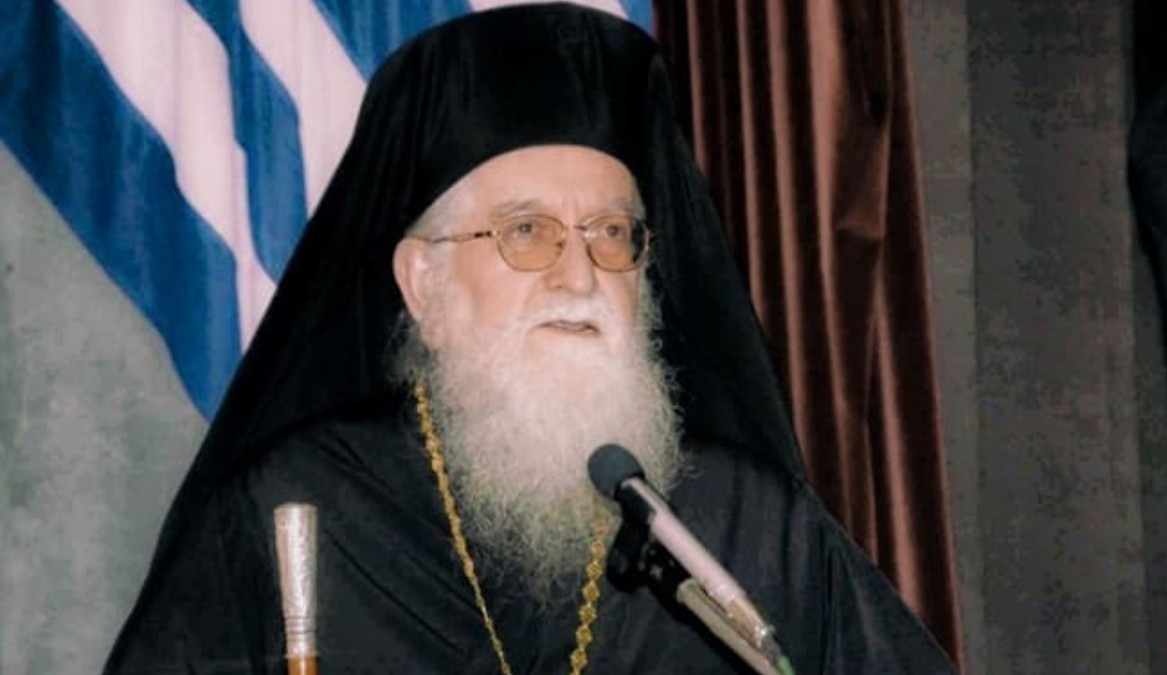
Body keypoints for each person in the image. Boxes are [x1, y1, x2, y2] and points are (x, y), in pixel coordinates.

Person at [103, 4, 957, 673]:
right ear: (424, 284)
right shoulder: (291, 509)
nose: (580, 278)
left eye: (611, 234)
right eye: (526, 232)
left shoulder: (742, 527)